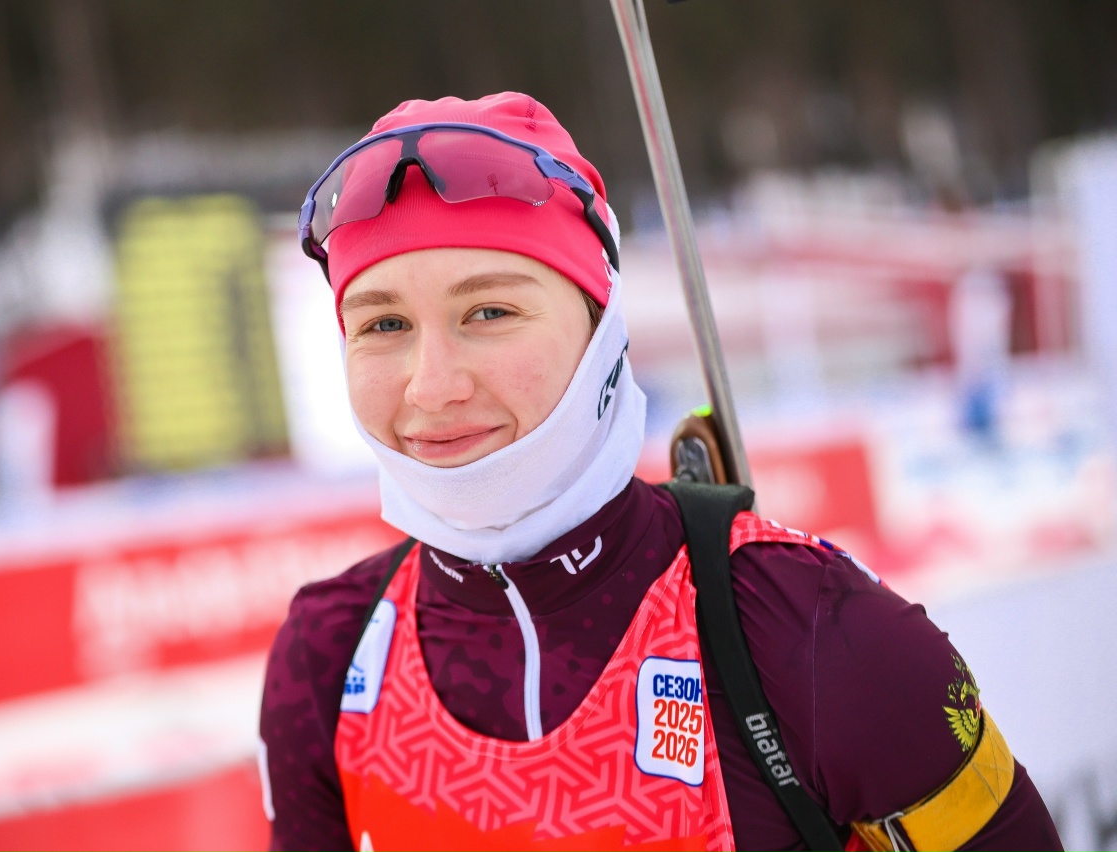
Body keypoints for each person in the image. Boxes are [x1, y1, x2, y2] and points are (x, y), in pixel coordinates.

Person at [258, 92, 1062, 852]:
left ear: (599, 329)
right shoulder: (329, 654)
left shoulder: (810, 632)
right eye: (384, 324)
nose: (432, 386)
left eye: (490, 311)